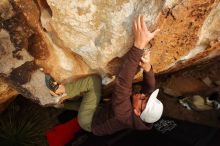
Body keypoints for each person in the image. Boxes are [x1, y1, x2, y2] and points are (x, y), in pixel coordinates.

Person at [46, 15, 163, 146]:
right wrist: (147, 67)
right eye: (146, 96)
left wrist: (138, 46)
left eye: (143, 99)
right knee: (86, 102)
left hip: (89, 121)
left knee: (94, 82)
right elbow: (150, 87)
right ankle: (60, 105)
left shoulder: (123, 115)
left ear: (137, 112)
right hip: (102, 113)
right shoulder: (141, 115)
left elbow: (123, 83)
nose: (142, 95)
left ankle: (59, 90)